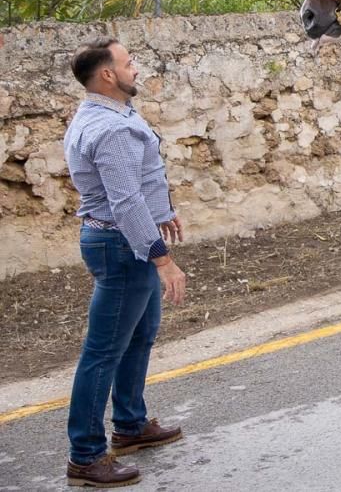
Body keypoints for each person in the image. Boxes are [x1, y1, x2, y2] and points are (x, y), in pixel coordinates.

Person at [63, 37, 187, 488]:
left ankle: (131, 425)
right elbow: (124, 200)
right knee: (102, 353)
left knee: (140, 336)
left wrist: (163, 210)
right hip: (122, 247)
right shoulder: (111, 128)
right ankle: (86, 456)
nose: (136, 69)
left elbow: (139, 179)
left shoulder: (105, 113)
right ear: (108, 75)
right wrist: (162, 260)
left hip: (127, 241)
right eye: (129, 63)